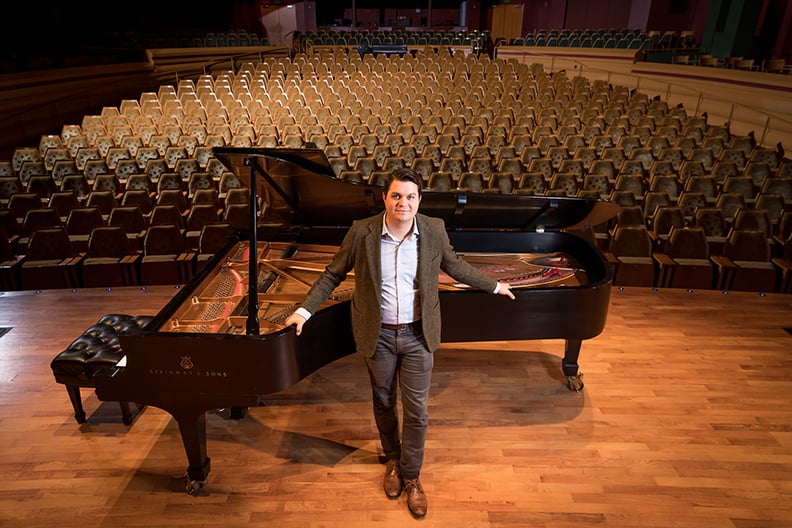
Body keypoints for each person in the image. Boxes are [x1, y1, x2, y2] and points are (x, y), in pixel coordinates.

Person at [284, 167, 515, 517]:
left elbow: (455, 266)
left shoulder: (433, 229)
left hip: (418, 334)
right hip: (378, 335)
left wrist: (494, 285)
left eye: (410, 196)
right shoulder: (362, 231)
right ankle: (392, 459)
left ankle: (411, 475)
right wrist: (304, 311)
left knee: (417, 411)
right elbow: (333, 274)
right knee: (382, 400)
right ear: (385, 198)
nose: (403, 203)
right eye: (396, 196)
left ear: (419, 200)